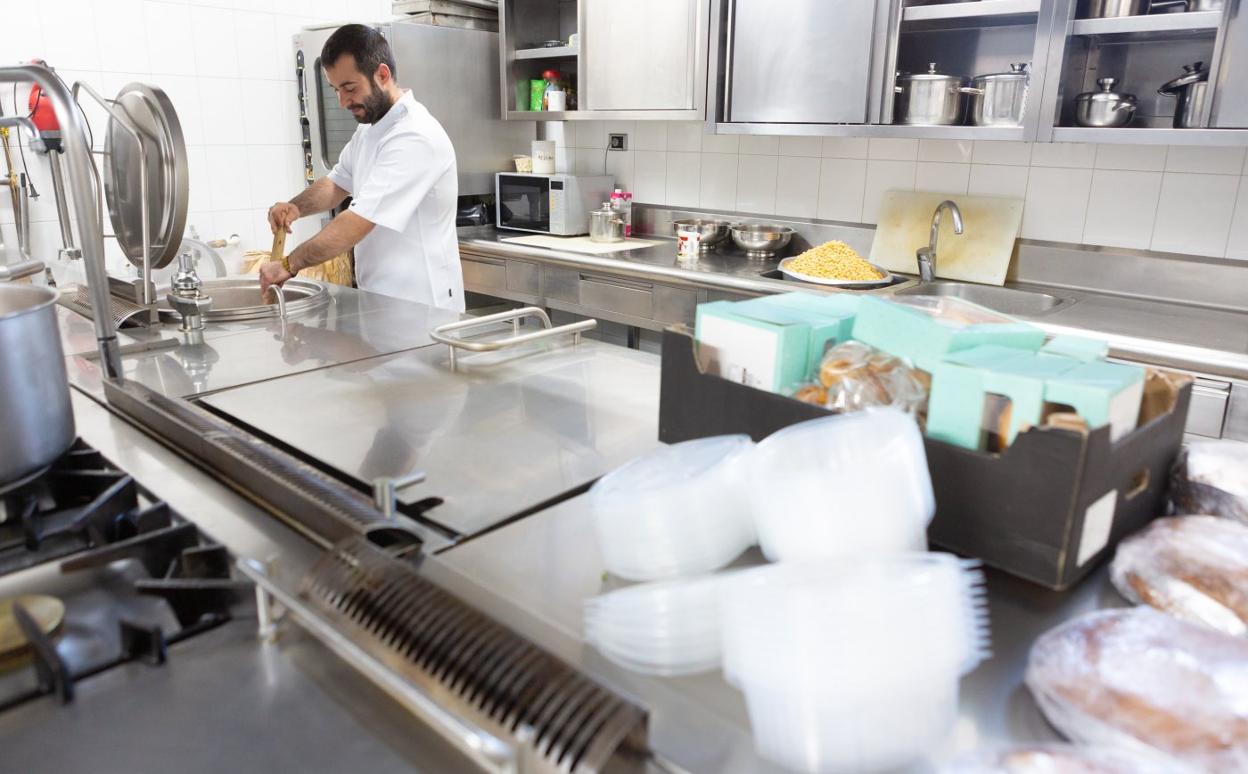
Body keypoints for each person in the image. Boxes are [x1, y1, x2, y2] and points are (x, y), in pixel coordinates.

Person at [260, 24, 464, 311]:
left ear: (382, 74)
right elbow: (337, 183)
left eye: (349, 88)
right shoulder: (372, 127)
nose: (343, 101)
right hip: (381, 300)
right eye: (335, 90)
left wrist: (289, 264)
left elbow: (357, 222)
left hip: (422, 306)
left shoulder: (414, 136)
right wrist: (295, 208)